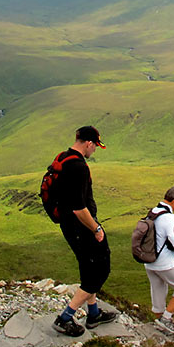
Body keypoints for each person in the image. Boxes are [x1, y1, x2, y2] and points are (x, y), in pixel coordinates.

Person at [51, 126, 117, 336]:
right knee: (100, 270)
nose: (95, 150)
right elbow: (79, 208)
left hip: (69, 226)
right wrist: (96, 228)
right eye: (95, 146)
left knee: (88, 268)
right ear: (88, 143)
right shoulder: (78, 167)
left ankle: (94, 313)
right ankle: (65, 318)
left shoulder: (63, 158)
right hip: (81, 226)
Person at [144, 184, 174, 335]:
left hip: (148, 261)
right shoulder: (170, 218)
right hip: (165, 262)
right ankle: (166, 318)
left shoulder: (152, 212)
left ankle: (158, 322)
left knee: (158, 288)